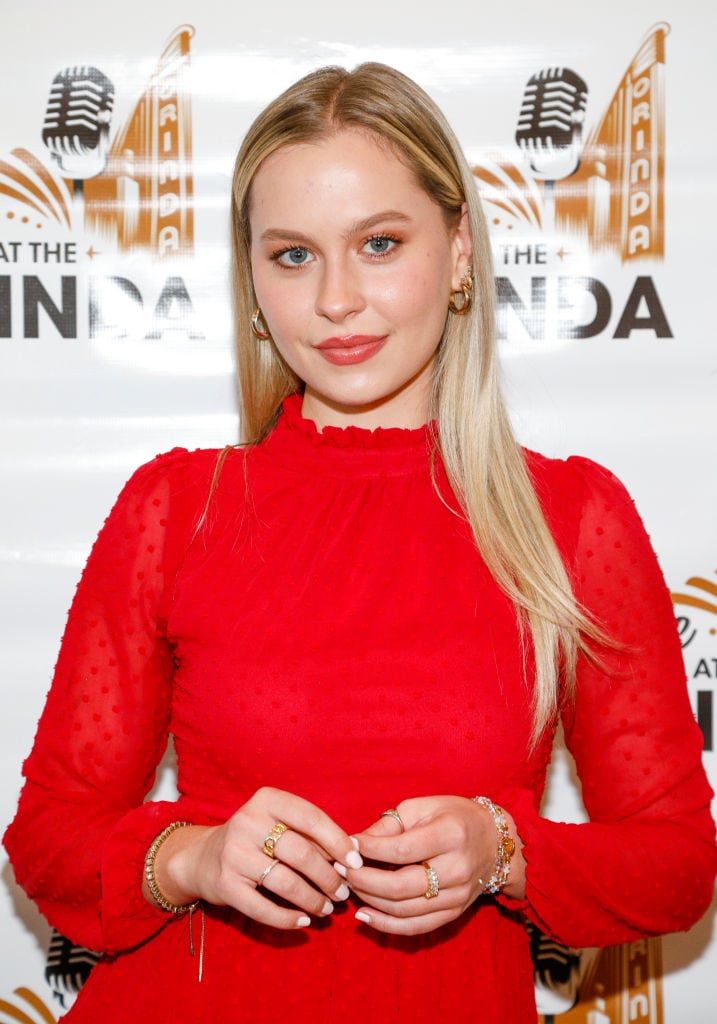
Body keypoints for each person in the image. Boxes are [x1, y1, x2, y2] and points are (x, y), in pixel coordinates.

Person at [4, 61, 716, 1023]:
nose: (336, 298)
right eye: (292, 255)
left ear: (459, 252)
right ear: (252, 281)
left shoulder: (571, 518)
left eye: (379, 244)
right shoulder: (177, 509)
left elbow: (676, 868)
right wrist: (192, 858)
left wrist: (505, 850)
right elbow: (48, 839)